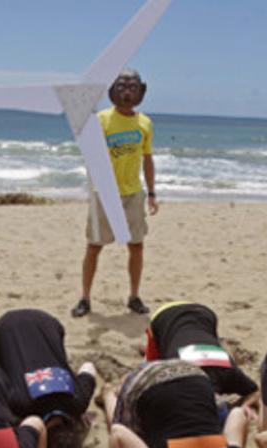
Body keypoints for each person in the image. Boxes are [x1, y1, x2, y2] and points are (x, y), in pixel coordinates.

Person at [72, 69, 158, 318]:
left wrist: (151, 193)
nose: (127, 90)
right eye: (121, 86)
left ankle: (134, 296)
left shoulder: (145, 123)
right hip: (104, 194)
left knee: (136, 246)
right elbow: (85, 143)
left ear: (140, 90)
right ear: (112, 91)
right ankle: (85, 298)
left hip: (134, 194)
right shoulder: (100, 120)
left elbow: (147, 159)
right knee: (94, 246)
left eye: (132, 86)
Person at [101, 360, 252, 448]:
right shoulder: (198, 374)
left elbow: (120, 425)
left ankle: (107, 395)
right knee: (238, 413)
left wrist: (109, 396)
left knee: (118, 432)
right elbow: (220, 411)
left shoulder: (134, 383)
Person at [0, 308, 99, 448]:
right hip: (3, 331)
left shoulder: (77, 401)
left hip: (46, 323)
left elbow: (88, 366)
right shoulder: (20, 407)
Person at [144, 301, 259, 404]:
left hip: (200, 314)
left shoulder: (229, 373)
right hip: (169, 316)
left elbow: (255, 392)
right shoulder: (228, 374)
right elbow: (254, 392)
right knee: (151, 369)